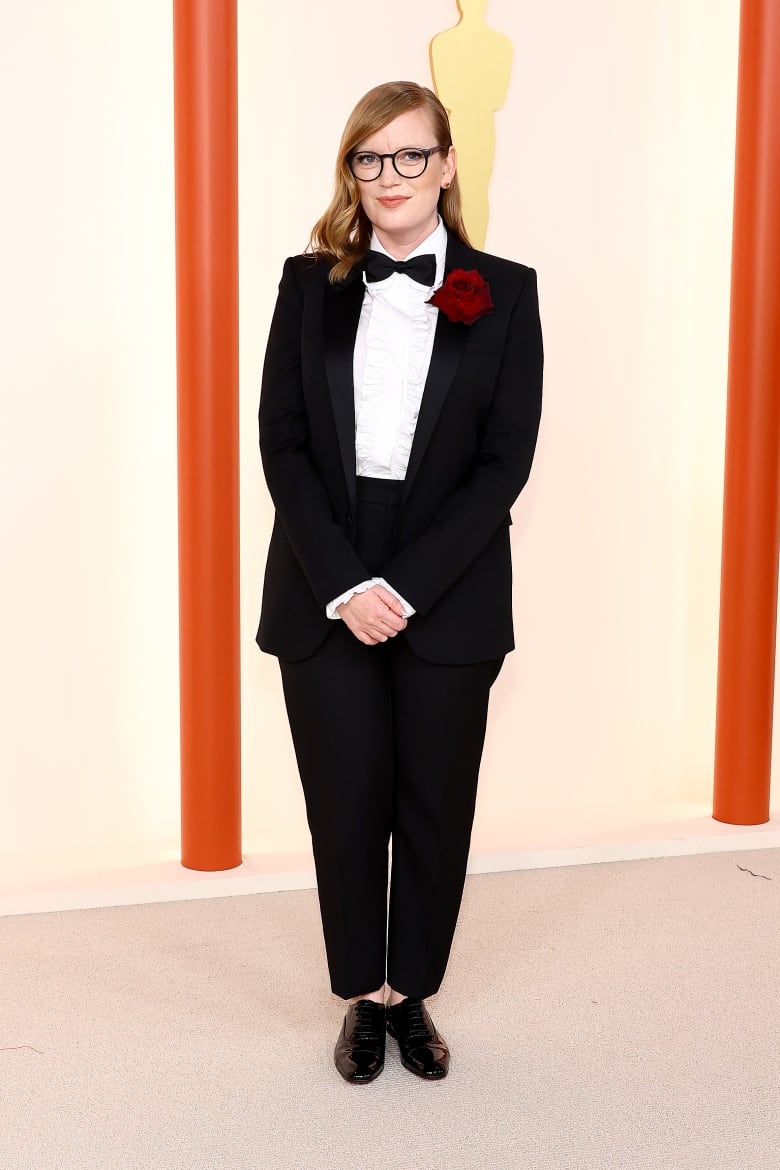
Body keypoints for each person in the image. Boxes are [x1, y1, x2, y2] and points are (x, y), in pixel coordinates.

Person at [257, 80, 543, 1083]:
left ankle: (408, 992)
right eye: (369, 159)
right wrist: (344, 581)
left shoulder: (501, 290)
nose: (389, 178)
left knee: (433, 801)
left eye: (410, 156)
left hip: (448, 572)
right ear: (353, 171)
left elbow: (503, 462)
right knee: (345, 799)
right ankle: (358, 997)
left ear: (447, 164)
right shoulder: (309, 284)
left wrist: (409, 585)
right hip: (323, 563)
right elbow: (283, 444)